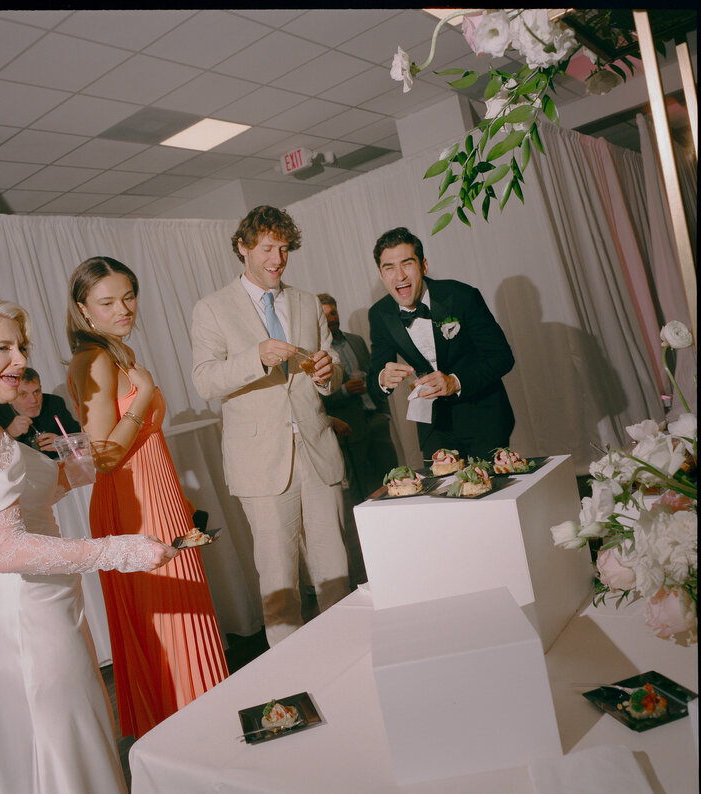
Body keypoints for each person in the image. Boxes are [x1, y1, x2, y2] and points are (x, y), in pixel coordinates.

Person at [0, 293, 176, 794]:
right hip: (26, 620)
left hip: (30, 612)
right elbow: (8, 550)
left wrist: (71, 471)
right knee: (62, 760)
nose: (19, 361)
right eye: (2, 348)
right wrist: (120, 550)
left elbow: (12, 505)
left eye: (21, 347)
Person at [66, 256, 228, 739]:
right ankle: (190, 735)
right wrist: (142, 397)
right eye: (108, 302)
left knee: (181, 615)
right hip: (133, 500)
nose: (124, 309)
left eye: (129, 297)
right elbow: (103, 456)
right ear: (83, 309)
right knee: (171, 620)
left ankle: (198, 730)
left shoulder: (117, 354)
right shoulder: (94, 359)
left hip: (158, 492)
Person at [191, 205, 351, 647]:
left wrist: (328, 373)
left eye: (283, 249)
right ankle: (289, 673)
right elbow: (205, 381)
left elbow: (333, 365)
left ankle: (351, 653)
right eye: (266, 248)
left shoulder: (307, 302)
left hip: (317, 453)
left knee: (336, 572)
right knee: (279, 582)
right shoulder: (211, 309)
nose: (277, 259)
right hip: (260, 464)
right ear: (242, 248)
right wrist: (255, 357)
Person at [367, 227, 515, 461]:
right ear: (381, 274)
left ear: (423, 266)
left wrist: (455, 382)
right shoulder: (379, 314)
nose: (400, 276)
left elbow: (502, 357)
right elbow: (374, 380)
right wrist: (382, 379)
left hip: (484, 419)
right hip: (434, 429)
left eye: (407, 264)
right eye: (389, 267)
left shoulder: (462, 296)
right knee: (442, 484)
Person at [317, 293, 398, 502]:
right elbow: (318, 398)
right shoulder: (319, 352)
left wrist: (385, 414)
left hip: (377, 420)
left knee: (395, 480)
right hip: (350, 430)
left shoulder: (356, 340)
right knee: (363, 490)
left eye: (333, 312)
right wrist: (345, 389)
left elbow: (376, 377)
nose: (332, 318)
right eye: (325, 315)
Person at [0, 367, 80, 459]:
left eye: (36, 392)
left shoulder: (54, 402)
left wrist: (63, 443)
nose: (33, 400)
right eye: (23, 394)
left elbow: (80, 437)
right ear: (10, 397)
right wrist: (9, 433)